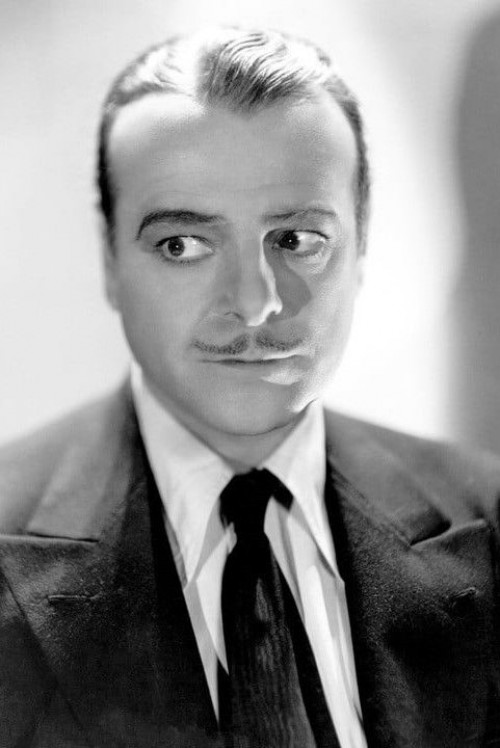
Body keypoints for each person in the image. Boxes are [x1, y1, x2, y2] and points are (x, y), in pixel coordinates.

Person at [0, 26, 499, 748]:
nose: (255, 301)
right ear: (109, 262)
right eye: (183, 246)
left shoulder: (489, 521)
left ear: (362, 247)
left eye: (296, 240)